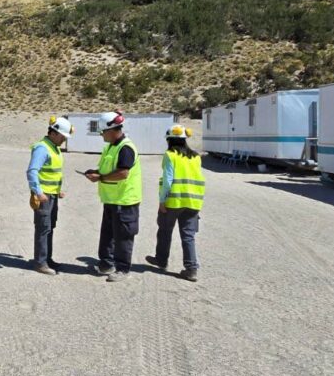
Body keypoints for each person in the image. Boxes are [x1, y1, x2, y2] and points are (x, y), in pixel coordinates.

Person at [84, 111, 141, 283]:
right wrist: (96, 172)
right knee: (108, 234)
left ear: (112, 130)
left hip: (125, 200)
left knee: (123, 237)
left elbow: (123, 173)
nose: (101, 135)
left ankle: (123, 268)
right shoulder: (111, 146)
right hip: (111, 199)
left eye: (103, 132)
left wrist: (100, 178)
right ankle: (106, 264)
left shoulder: (126, 148)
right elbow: (108, 169)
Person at [146, 125, 205, 282]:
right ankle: (191, 269)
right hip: (193, 202)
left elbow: (168, 180)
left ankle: (161, 260)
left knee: (165, 231)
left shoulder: (170, 155)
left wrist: (162, 201)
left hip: (173, 201)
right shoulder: (196, 157)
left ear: (169, 140)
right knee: (188, 236)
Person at [26, 116, 74, 275]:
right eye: (62, 137)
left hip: (52, 195)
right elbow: (32, 171)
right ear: (53, 133)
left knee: (50, 227)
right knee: (43, 228)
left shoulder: (54, 147)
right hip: (44, 196)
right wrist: (38, 192)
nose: (64, 140)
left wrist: (57, 190)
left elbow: (52, 173)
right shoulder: (42, 148)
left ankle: (47, 258)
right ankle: (40, 263)